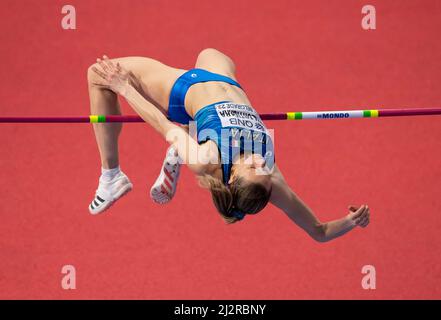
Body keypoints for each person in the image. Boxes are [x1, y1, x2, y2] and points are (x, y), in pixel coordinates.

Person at [87, 48, 369, 241]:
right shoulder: (270, 183)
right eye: (265, 169)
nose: (261, 162)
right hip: (224, 79)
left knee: (97, 75)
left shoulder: (207, 159)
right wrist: (352, 221)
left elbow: (162, 125)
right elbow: (319, 231)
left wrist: (123, 88)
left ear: (233, 175)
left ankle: (112, 176)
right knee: (209, 52)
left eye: (253, 166)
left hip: (183, 90)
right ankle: (184, 139)